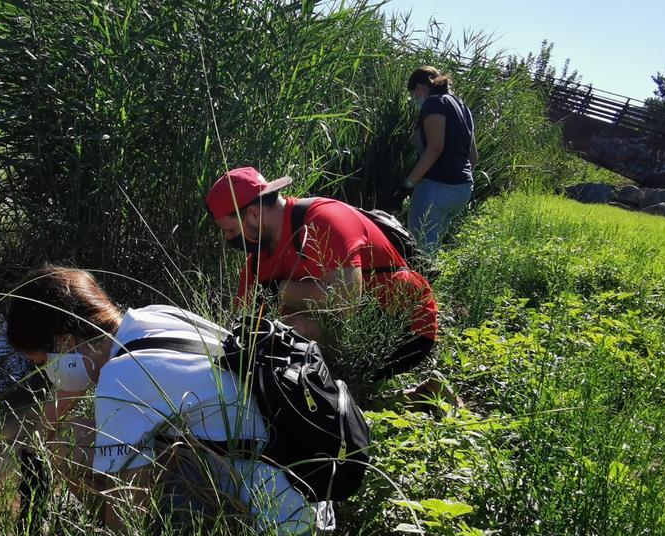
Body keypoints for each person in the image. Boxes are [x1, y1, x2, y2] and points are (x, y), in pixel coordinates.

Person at [4, 265, 333, 536]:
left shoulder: (122, 378)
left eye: (42, 363)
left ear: (64, 342)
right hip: (310, 499)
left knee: (74, 446)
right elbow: (68, 396)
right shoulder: (152, 319)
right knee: (85, 432)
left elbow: (124, 515)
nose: (50, 374)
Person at [204, 167, 438, 381]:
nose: (229, 240)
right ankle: (419, 393)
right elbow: (237, 326)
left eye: (230, 230)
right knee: (258, 339)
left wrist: (279, 290)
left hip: (407, 328)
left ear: (254, 215)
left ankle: (347, 395)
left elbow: (346, 301)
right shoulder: (256, 263)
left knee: (287, 332)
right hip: (351, 328)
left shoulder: (323, 221)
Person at [403, 65, 477, 254]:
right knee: (431, 248)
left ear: (420, 88)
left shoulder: (434, 103)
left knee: (419, 251)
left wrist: (410, 182)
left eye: (413, 94)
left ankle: (419, 284)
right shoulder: (462, 107)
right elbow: (473, 156)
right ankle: (429, 281)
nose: (414, 100)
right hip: (462, 188)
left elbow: (435, 148)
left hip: (437, 187)